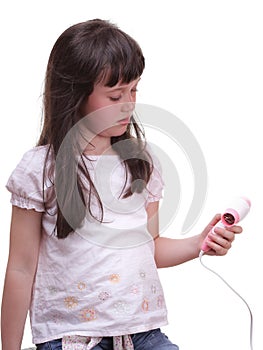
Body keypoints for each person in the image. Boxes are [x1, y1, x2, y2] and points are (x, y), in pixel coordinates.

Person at [1, 19, 242, 350]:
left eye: (134, 90)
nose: (129, 104)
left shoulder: (141, 163)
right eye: (115, 95)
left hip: (144, 335)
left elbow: (150, 246)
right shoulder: (40, 169)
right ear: (75, 94)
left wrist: (200, 242)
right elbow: (20, 268)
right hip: (69, 339)